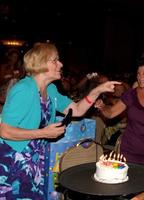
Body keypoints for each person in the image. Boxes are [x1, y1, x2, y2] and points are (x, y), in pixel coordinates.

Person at [0, 42, 120, 199]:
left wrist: (97, 91)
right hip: (15, 161)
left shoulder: (50, 89)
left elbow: (77, 110)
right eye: (55, 60)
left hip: (35, 159)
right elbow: (5, 130)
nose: (61, 64)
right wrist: (43, 132)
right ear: (41, 63)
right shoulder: (24, 89)